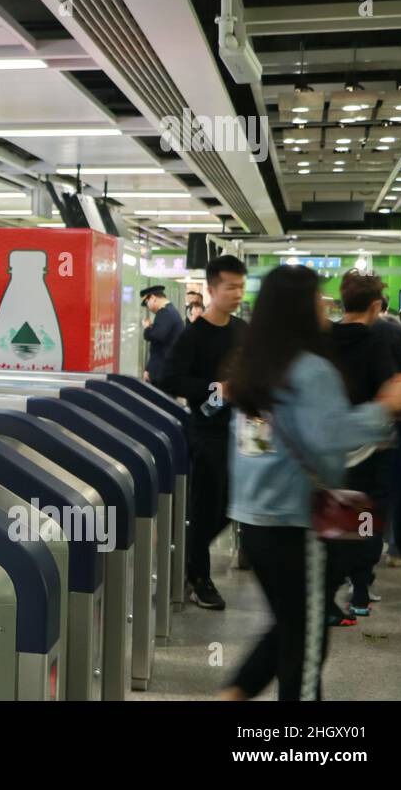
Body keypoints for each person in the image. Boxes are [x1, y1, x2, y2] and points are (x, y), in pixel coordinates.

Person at [220, 264, 401, 701]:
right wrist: (387, 406)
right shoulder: (310, 370)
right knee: (306, 647)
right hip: (297, 523)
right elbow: (332, 436)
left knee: (292, 624)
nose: (325, 305)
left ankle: (231, 695)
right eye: (316, 298)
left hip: (255, 519)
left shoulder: (253, 364)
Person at [159, 253, 249, 610]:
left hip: (241, 430)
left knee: (232, 505)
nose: (237, 293)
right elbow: (171, 379)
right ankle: (199, 576)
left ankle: (188, 556)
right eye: (231, 287)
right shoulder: (193, 335)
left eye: (241, 286)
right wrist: (216, 389)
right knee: (207, 505)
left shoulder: (242, 330)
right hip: (206, 429)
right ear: (212, 289)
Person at [324, 271, 397, 623]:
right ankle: (361, 592)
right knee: (367, 521)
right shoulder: (376, 343)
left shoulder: (323, 341)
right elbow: (388, 393)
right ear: (374, 306)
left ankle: (328, 593)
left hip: (330, 452)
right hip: (370, 452)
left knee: (338, 521)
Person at [141, 285, 183, 386]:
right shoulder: (170, 311)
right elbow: (158, 345)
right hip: (166, 370)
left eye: (147, 303)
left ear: (153, 298)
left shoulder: (165, 313)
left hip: (163, 372)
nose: (148, 307)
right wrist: (148, 368)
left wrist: (147, 328)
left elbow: (156, 336)